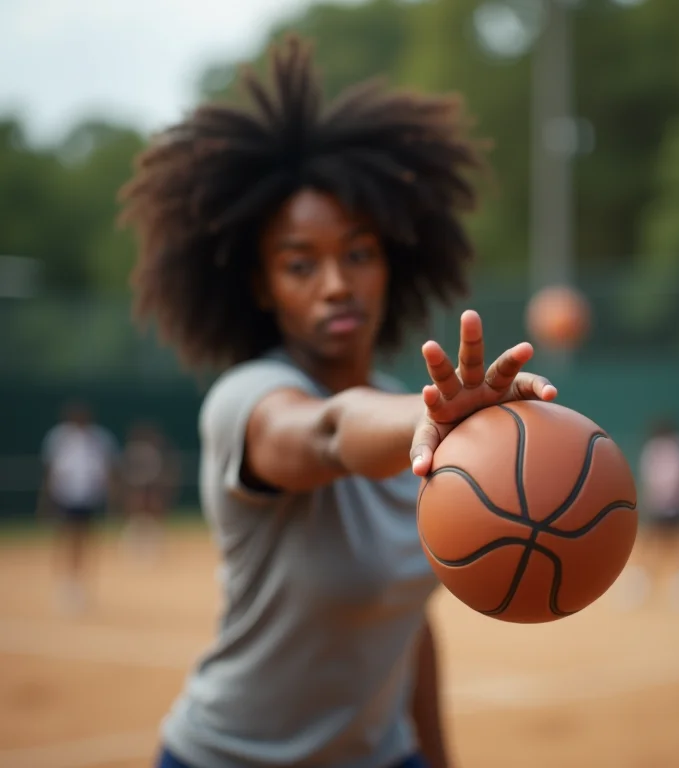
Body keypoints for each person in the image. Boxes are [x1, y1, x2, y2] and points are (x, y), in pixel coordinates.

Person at [119, 35, 558, 768]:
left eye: (358, 252)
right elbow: (327, 432)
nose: (336, 283)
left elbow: (407, 628)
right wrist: (427, 420)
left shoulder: (418, 418)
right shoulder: (247, 401)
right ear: (260, 286)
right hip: (227, 757)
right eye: (300, 263)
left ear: (393, 262)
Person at [38, 401, 119, 614]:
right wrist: (47, 500)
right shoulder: (58, 438)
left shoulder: (100, 439)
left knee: (84, 540)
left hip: (88, 498)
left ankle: (80, 583)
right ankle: (66, 583)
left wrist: (111, 497)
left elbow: (107, 471)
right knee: (65, 539)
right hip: (66, 496)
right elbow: (50, 472)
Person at [625, 415, 679, 610]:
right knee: (653, 543)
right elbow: (651, 481)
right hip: (661, 506)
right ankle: (639, 585)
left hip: (676, 505)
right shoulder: (655, 450)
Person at [119, 421, 179, 562]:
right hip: (138, 488)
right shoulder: (134, 451)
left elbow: (158, 473)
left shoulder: (152, 451)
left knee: (154, 516)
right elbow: (127, 473)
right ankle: (135, 546)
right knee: (136, 517)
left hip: (150, 489)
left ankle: (153, 546)